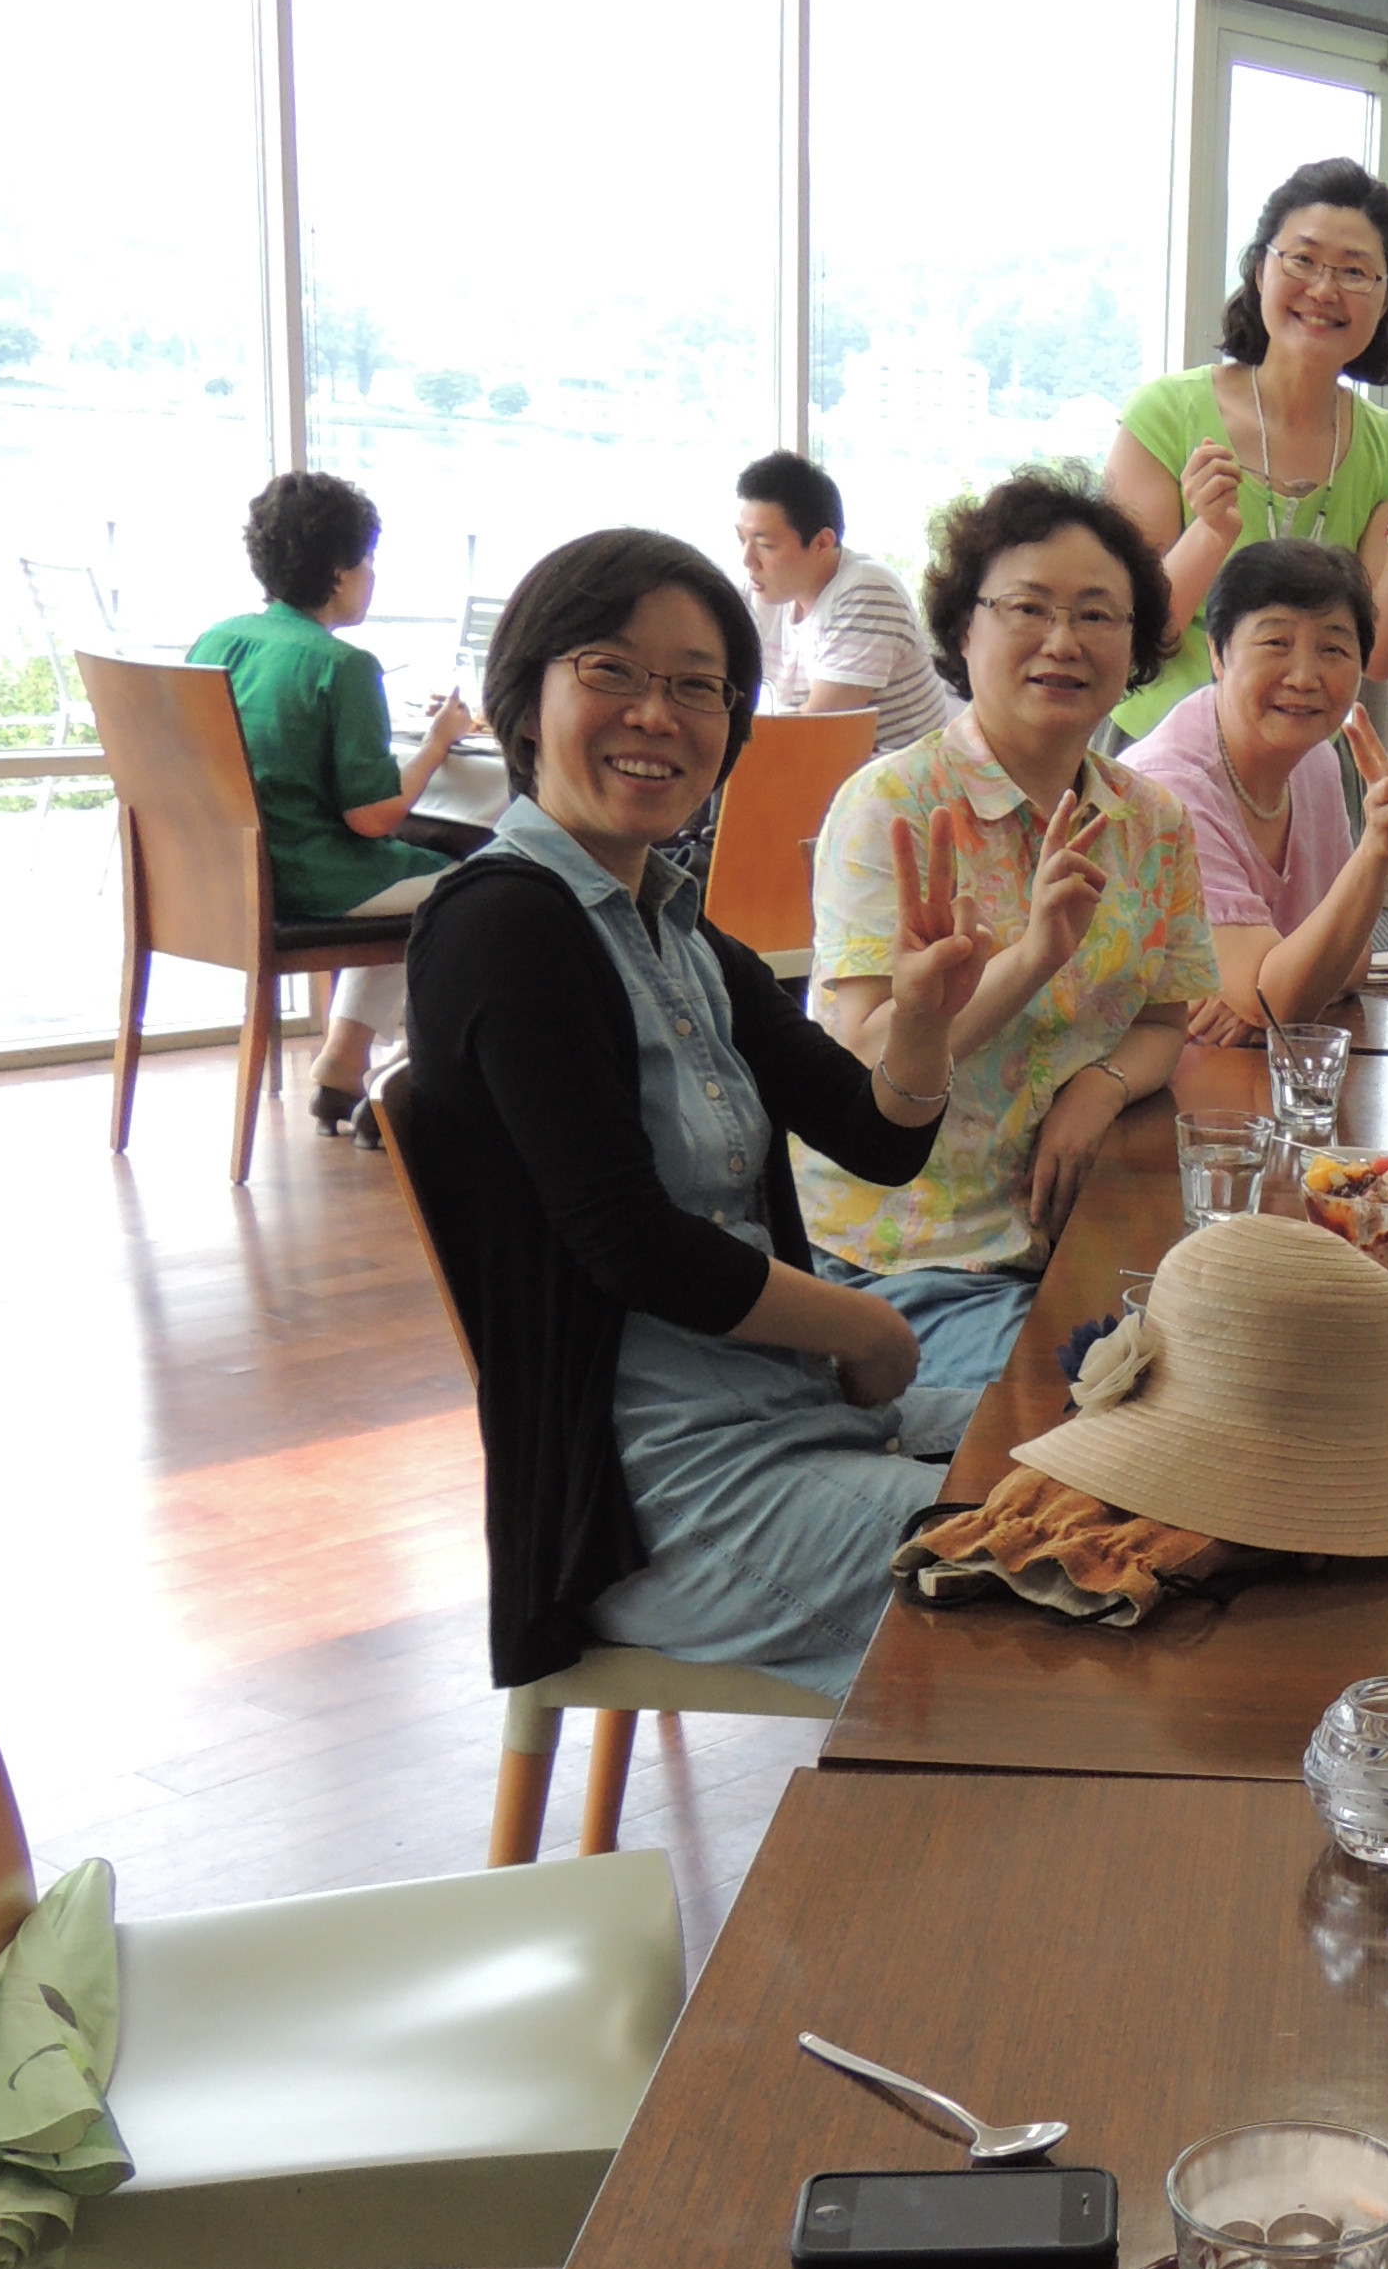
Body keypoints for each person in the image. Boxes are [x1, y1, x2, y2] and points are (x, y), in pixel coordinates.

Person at [402, 529, 993, 1703]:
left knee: (1109, 1448)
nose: (655, 714)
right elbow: (627, 1241)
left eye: (696, 686)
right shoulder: (502, 926)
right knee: (1064, 1542)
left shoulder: (673, 926)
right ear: (526, 699)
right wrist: (863, 1328)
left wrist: (922, 1021)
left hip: (794, 1420)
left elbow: (874, 1136)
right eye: (612, 672)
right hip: (662, 1503)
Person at [801, 477, 1217, 1408]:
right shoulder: (892, 806)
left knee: (1248, 1375)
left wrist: (1099, 1086)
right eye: (1028, 608)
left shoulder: (1151, 821)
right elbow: (863, 1059)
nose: (1063, 641)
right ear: (964, 628)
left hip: (1084, 1236)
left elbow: (1164, 1022)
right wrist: (1029, 958)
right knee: (1103, 1424)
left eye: (1097, 615)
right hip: (908, 1256)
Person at [1099, 161, 1388, 732]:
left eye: (1355, 271)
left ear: (1385, 299)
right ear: (1259, 270)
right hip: (1160, 749)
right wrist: (1210, 532)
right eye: (1302, 260)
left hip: (1304, 754)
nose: (1323, 289)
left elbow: (1381, 658)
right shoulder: (1165, 414)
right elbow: (1131, 633)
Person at [192, 469, 472, 1139]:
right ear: (340, 572)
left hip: (226, 873)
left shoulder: (216, 641)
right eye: (369, 560)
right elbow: (372, 818)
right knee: (476, 889)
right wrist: (438, 741)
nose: (372, 575)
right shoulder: (343, 665)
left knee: (421, 882)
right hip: (309, 879)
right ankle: (407, 1073)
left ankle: (344, 1064)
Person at [1122, 539, 1388, 1036]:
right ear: (1218, 653)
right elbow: (1280, 999)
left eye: (1333, 649)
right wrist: (1375, 852)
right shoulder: (1168, 788)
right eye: (1275, 644)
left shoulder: (1315, 761)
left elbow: (1350, 960)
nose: (1305, 677)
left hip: (1245, 1059)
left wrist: (1264, 991)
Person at [732, 450, 943, 750]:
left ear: (822, 542)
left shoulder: (868, 592)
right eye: (741, 539)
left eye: (765, 544)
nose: (747, 559)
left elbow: (814, 733)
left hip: (900, 773)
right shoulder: (760, 588)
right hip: (830, 767)